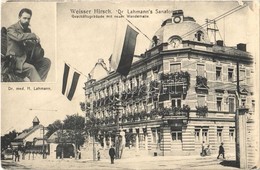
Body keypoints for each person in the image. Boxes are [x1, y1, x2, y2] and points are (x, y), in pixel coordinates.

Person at [6, 8, 51, 82]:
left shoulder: (27, 30)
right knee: (31, 68)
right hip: (15, 60)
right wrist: (33, 35)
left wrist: (35, 43)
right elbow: (18, 37)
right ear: (19, 17)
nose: (27, 20)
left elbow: (28, 45)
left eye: (29, 19)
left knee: (46, 62)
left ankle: (38, 83)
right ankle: (38, 86)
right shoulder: (11, 29)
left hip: (26, 58)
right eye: (24, 18)